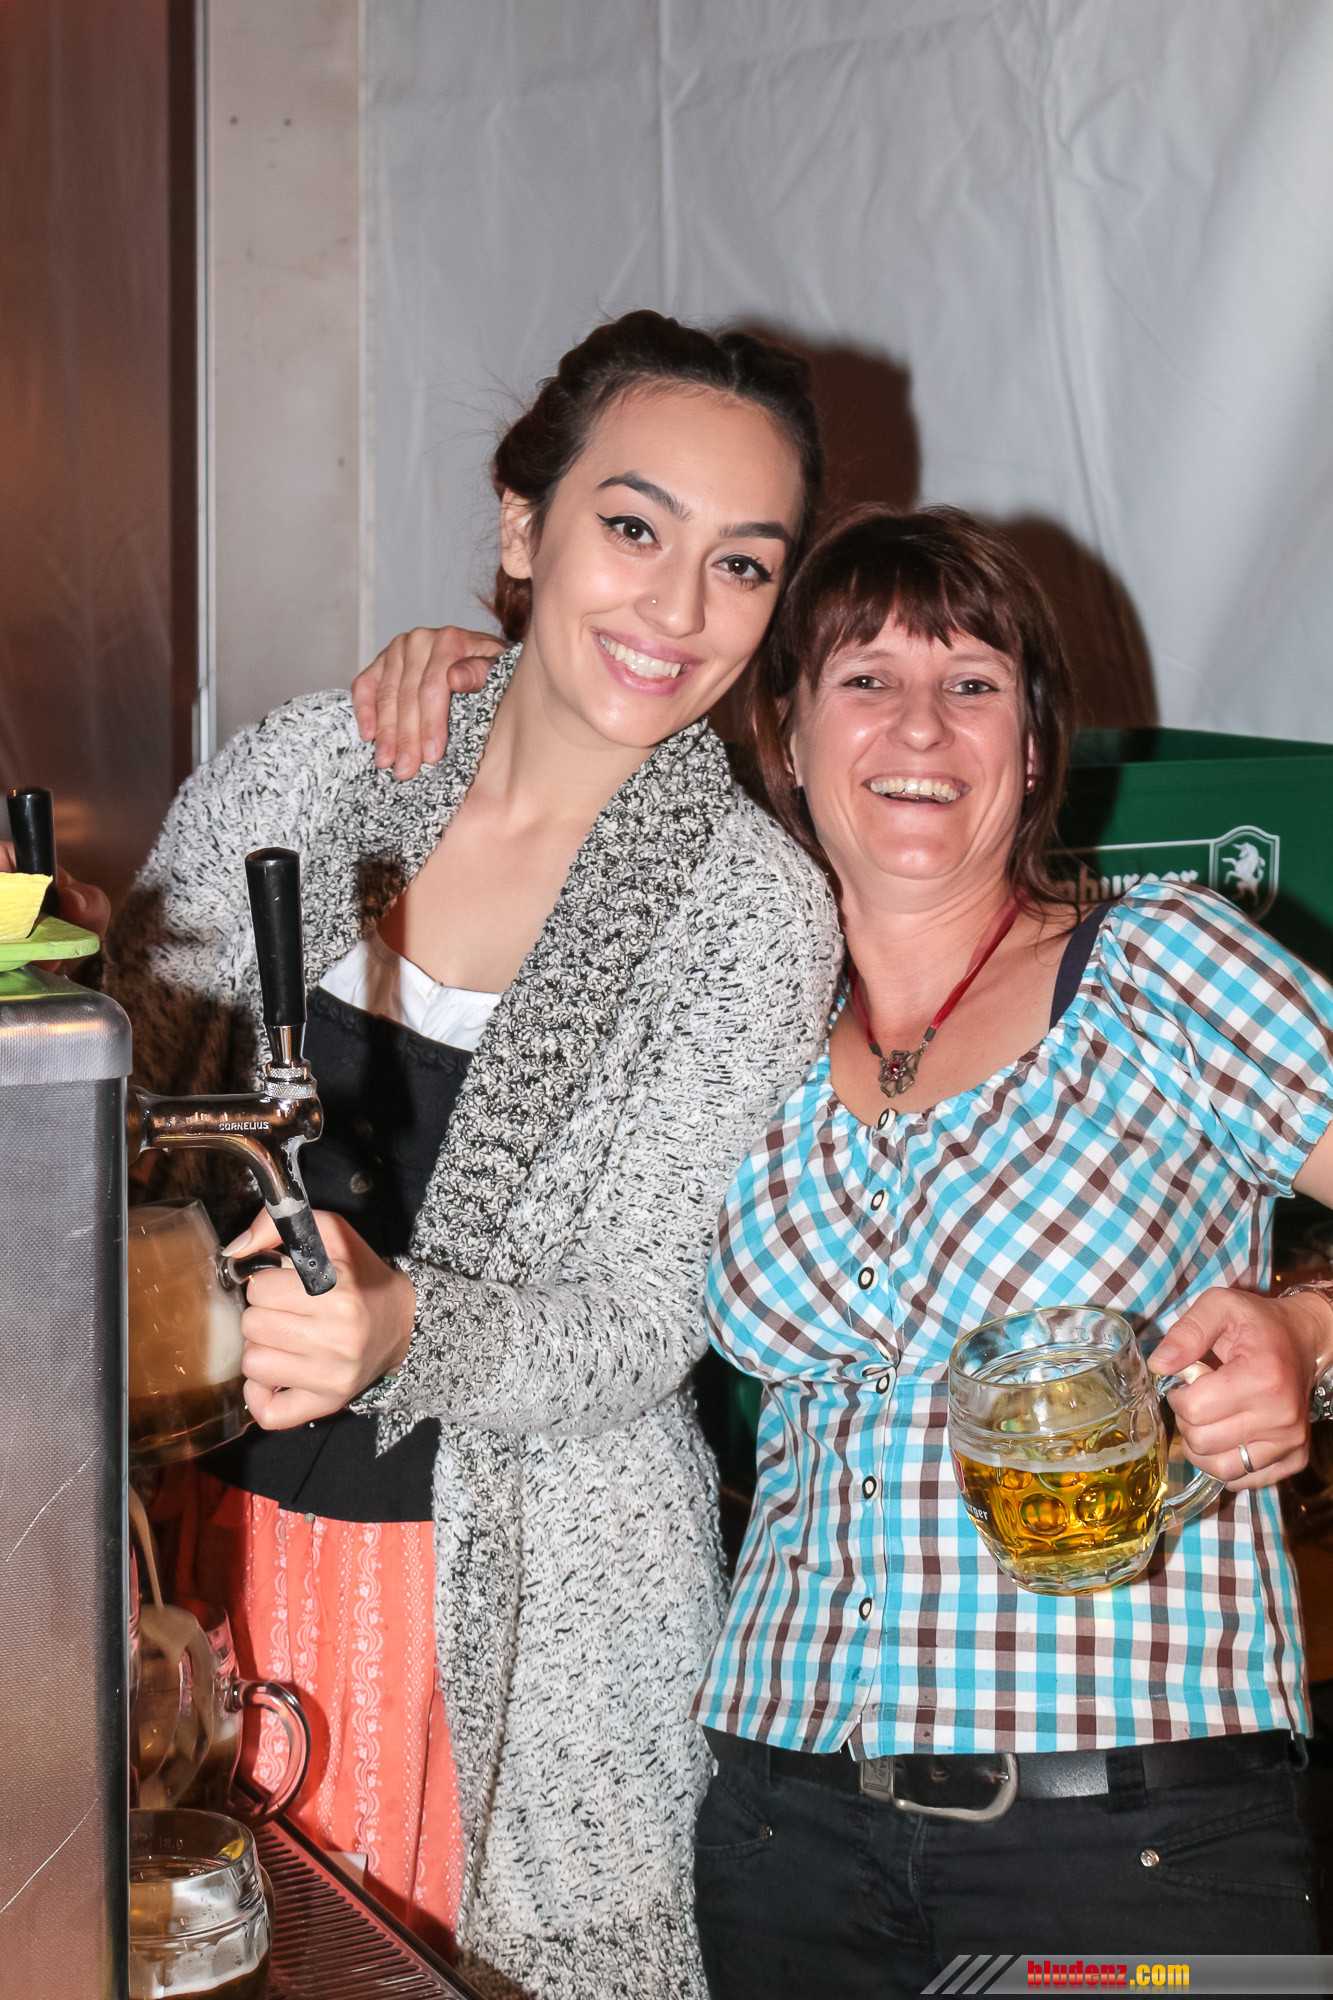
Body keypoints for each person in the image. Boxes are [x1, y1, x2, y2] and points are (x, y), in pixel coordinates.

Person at [98, 311, 843, 1999]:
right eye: (632, 528)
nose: (676, 608)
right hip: (184, 1559)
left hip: (512, 1603)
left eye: (740, 564)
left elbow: (648, 1319)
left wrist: (406, 1327)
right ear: (524, 525)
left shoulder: (746, 910)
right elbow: (121, 1100)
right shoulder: (319, 763)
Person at [679, 504, 1333, 1994]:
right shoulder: (744, 1041)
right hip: (784, 1828)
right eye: (865, 677)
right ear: (785, 734)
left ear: (1034, 749)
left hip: (1131, 1837)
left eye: (972, 682)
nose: (920, 722)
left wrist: (1308, 1331)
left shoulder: (1157, 966)